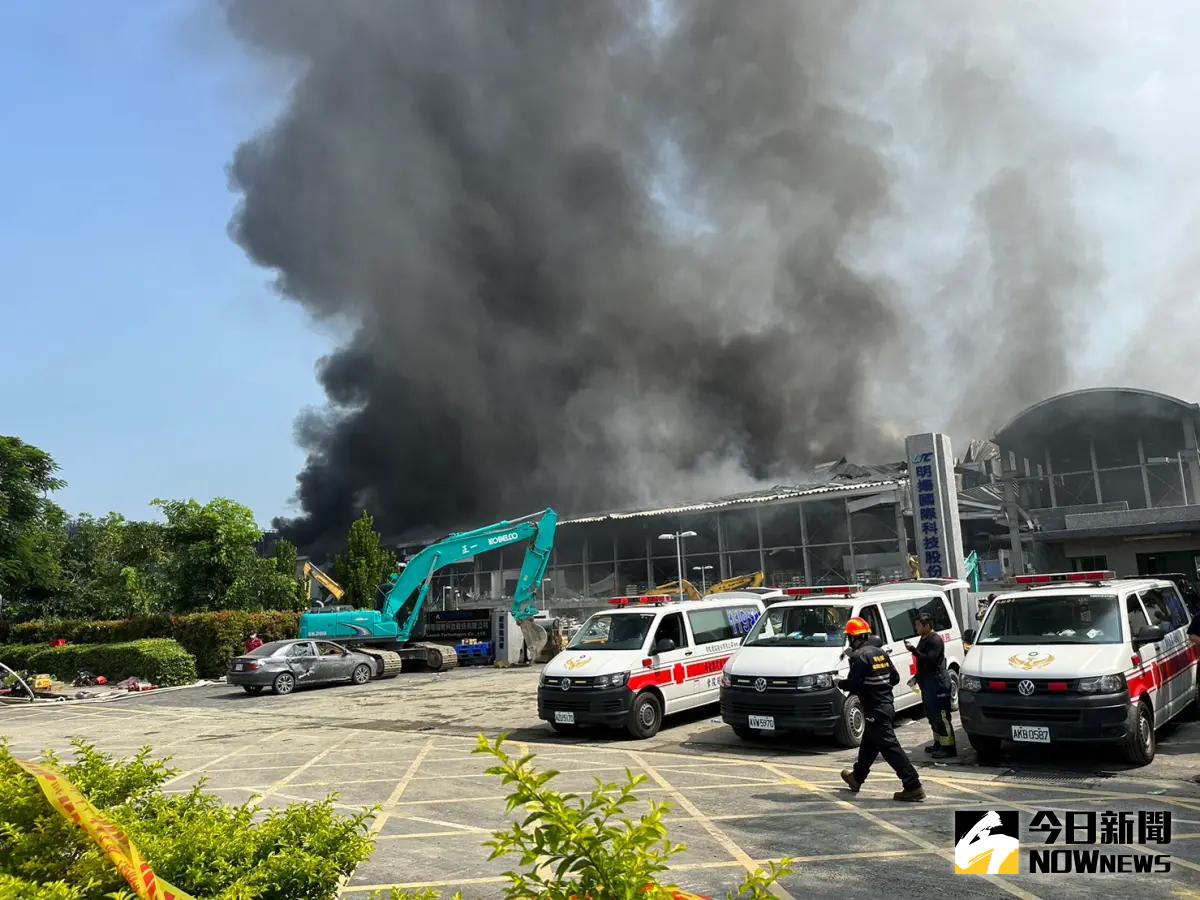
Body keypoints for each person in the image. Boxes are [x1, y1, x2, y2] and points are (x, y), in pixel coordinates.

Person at [838, 617, 925, 802]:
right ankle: (857, 777)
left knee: (890, 748)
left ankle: (913, 785)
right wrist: (878, 684)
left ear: (854, 638)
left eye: (849, 638)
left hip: (875, 709)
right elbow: (894, 678)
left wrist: (839, 682)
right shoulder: (880, 653)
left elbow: (854, 685)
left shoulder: (859, 657)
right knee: (869, 745)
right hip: (885, 706)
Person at [904, 612, 957, 759]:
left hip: (937, 683)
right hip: (927, 683)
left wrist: (913, 650)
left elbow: (930, 660)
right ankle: (939, 743)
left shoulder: (935, 640)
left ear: (927, 625)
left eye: (918, 625)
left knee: (941, 716)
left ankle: (948, 748)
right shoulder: (923, 638)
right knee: (931, 715)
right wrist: (916, 677)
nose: (916, 628)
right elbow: (922, 663)